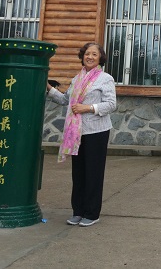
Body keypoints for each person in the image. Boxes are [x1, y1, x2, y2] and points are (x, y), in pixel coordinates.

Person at [47, 42, 116, 227]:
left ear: (100, 58)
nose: (90, 57)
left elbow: (111, 104)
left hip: (97, 132)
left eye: (94, 54)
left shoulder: (105, 79)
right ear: (82, 56)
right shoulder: (77, 79)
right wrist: (49, 88)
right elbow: (65, 100)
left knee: (93, 173)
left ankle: (92, 213)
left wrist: (88, 108)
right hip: (76, 133)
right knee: (78, 174)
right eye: (87, 54)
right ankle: (78, 211)